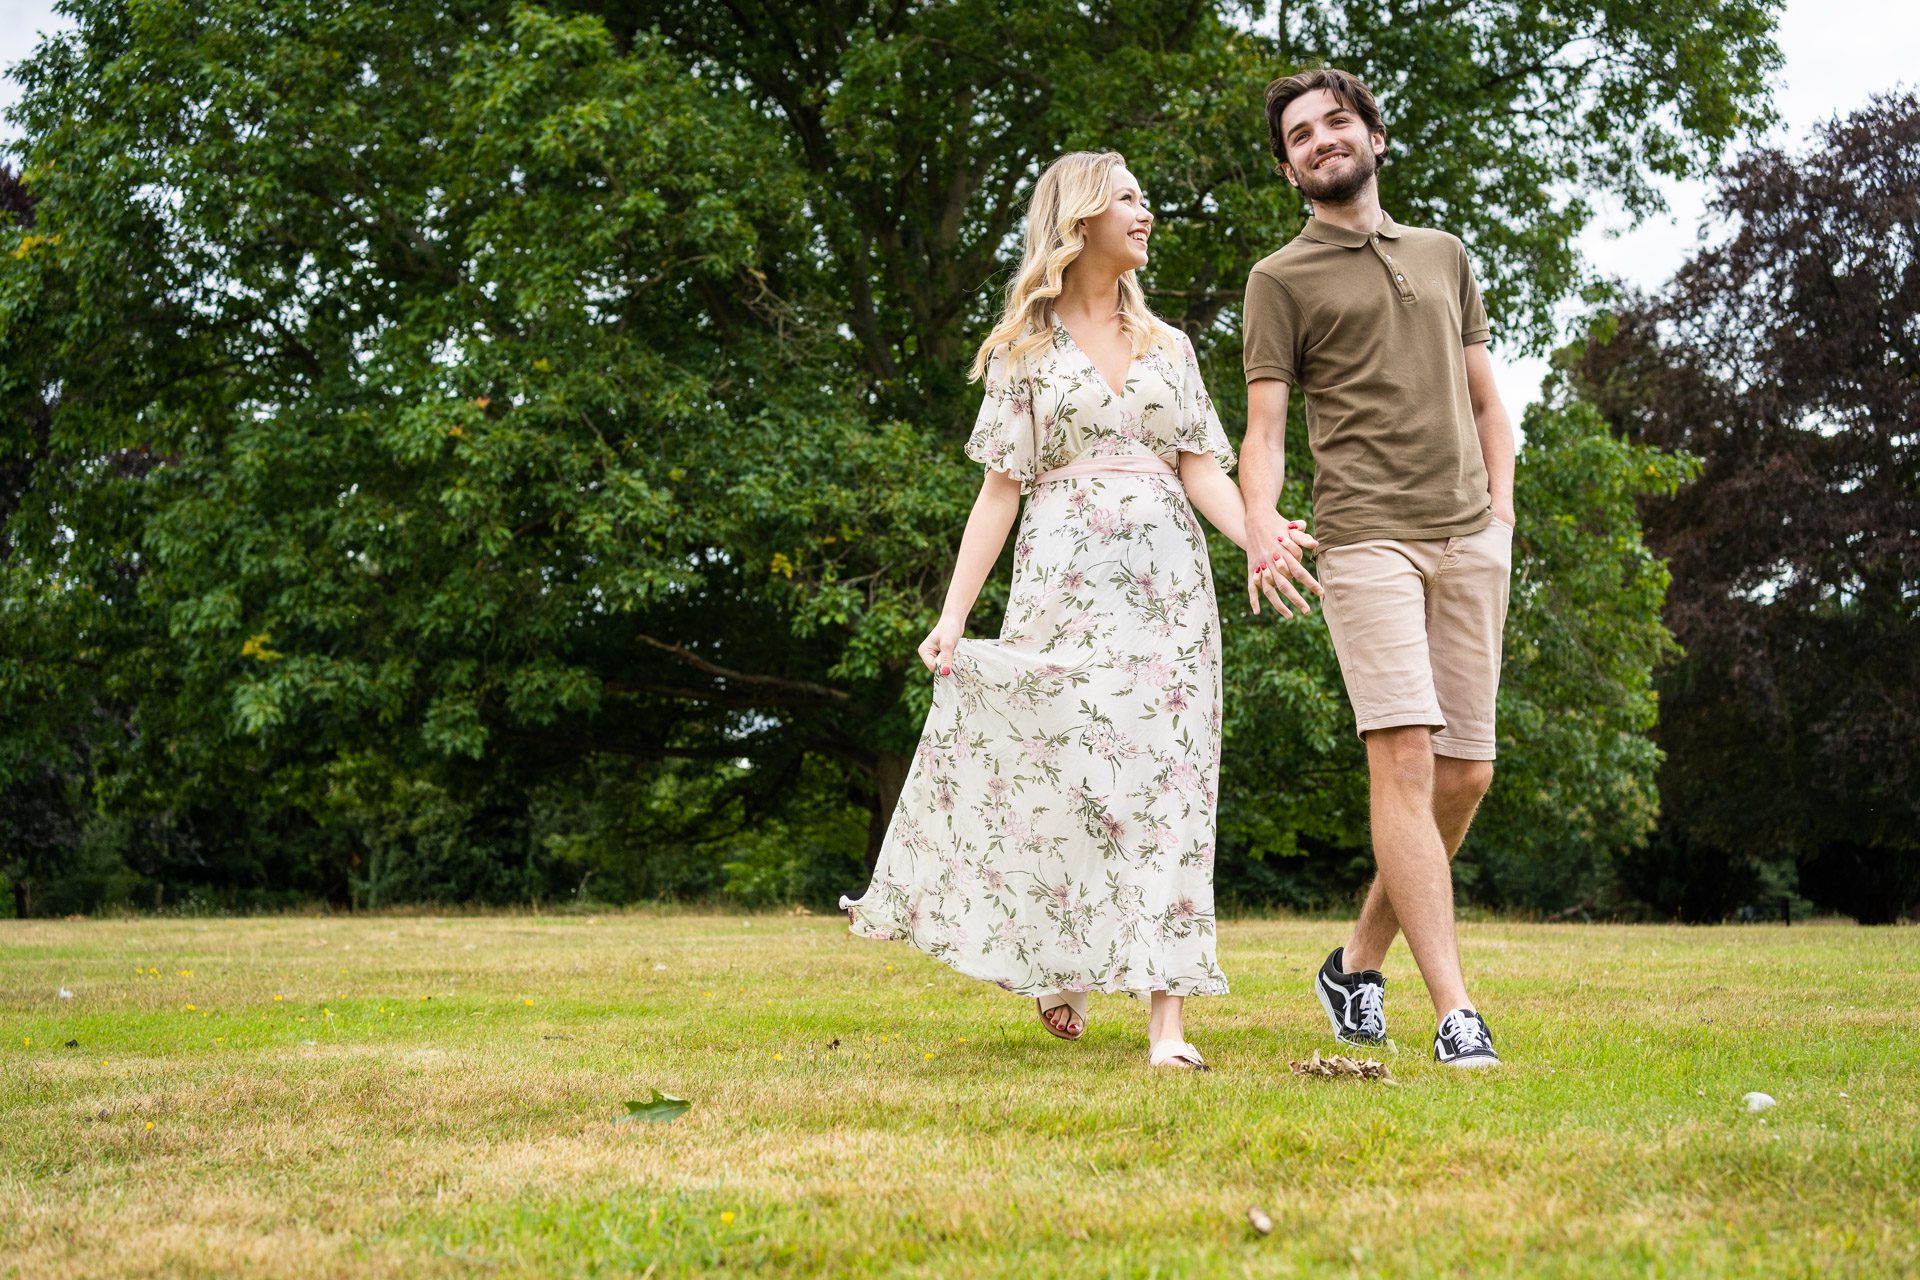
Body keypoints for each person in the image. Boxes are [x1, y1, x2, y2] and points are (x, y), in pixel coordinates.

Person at [840, 150, 1315, 1070]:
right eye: (1130, 199)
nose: (1148, 213)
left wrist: (1257, 534)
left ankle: (1167, 1023)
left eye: (1144, 198)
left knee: (1169, 786)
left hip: (1168, 591)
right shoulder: (1025, 351)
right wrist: (951, 616)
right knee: (1067, 775)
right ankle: (1063, 961)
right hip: (1060, 584)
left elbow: (1201, 471)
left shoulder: (1168, 347)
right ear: (1082, 216)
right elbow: (998, 493)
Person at [1239, 69, 1518, 1068]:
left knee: (1466, 771)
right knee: (1403, 756)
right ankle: (1455, 1011)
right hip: (1364, 541)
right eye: (1302, 135)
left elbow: (1489, 402)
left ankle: (1355, 959)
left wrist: (1501, 517)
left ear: (1374, 136)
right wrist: (1261, 516)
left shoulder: (1444, 255)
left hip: (1468, 537)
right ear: (1288, 169)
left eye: (1337, 122)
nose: (1323, 140)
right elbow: (1265, 426)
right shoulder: (1281, 279)